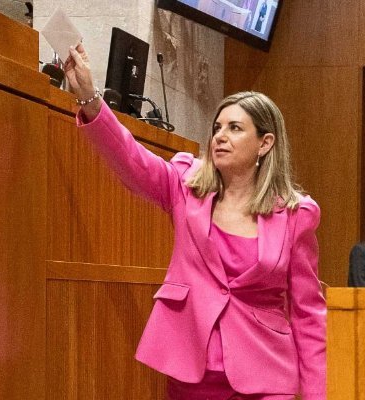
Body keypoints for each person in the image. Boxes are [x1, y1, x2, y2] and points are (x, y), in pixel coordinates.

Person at [65, 44, 326, 400]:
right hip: (192, 369)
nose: (220, 136)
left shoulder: (297, 215)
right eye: (217, 127)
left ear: (265, 143)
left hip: (266, 373)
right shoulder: (185, 184)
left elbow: (309, 315)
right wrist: (91, 99)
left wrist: (318, 395)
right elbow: (131, 160)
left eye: (235, 128)